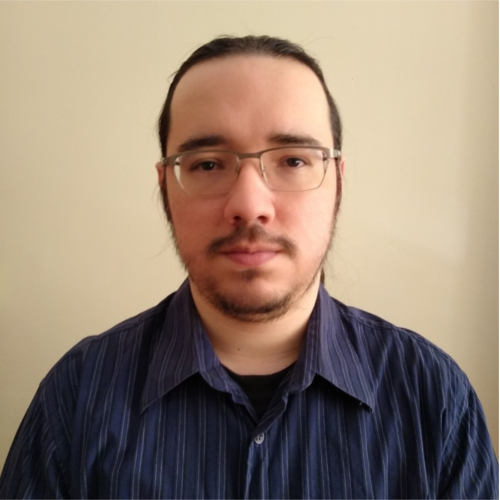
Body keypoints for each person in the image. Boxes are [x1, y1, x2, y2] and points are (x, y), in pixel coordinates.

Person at [0, 35, 497, 499]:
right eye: (207, 164)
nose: (249, 205)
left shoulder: (433, 396)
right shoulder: (77, 396)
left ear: (338, 183)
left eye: (294, 160)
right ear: (165, 188)